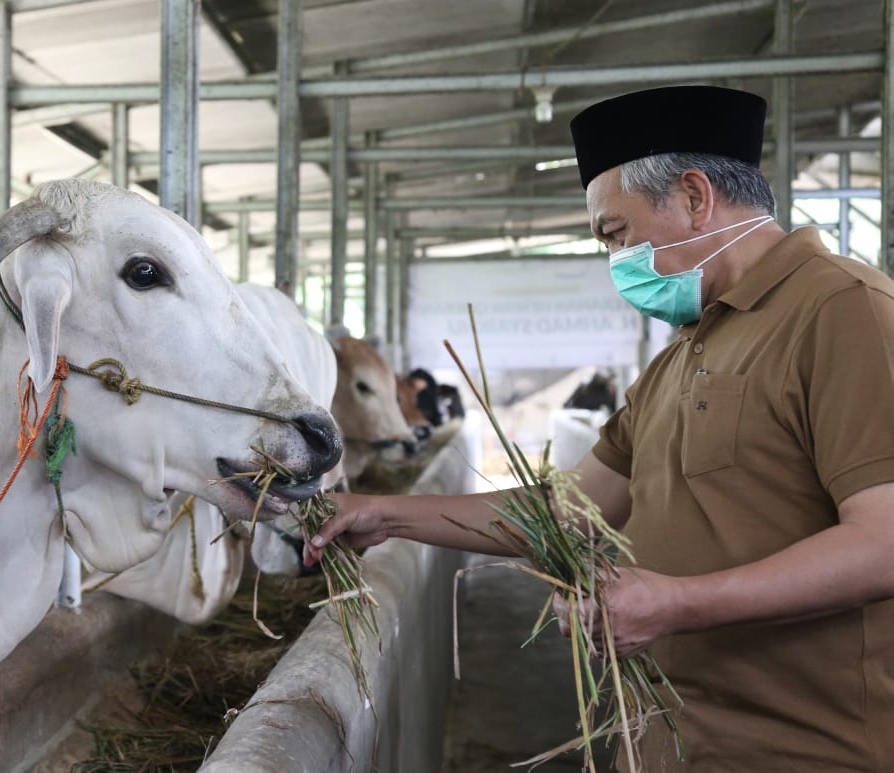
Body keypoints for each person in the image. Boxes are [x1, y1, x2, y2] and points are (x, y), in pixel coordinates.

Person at [304, 85, 894, 772]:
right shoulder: (684, 348)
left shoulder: (845, 311)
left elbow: (882, 542)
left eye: (615, 233)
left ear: (695, 196)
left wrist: (673, 602)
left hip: (801, 750)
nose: (614, 260)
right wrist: (385, 513)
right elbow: (562, 511)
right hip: (666, 739)